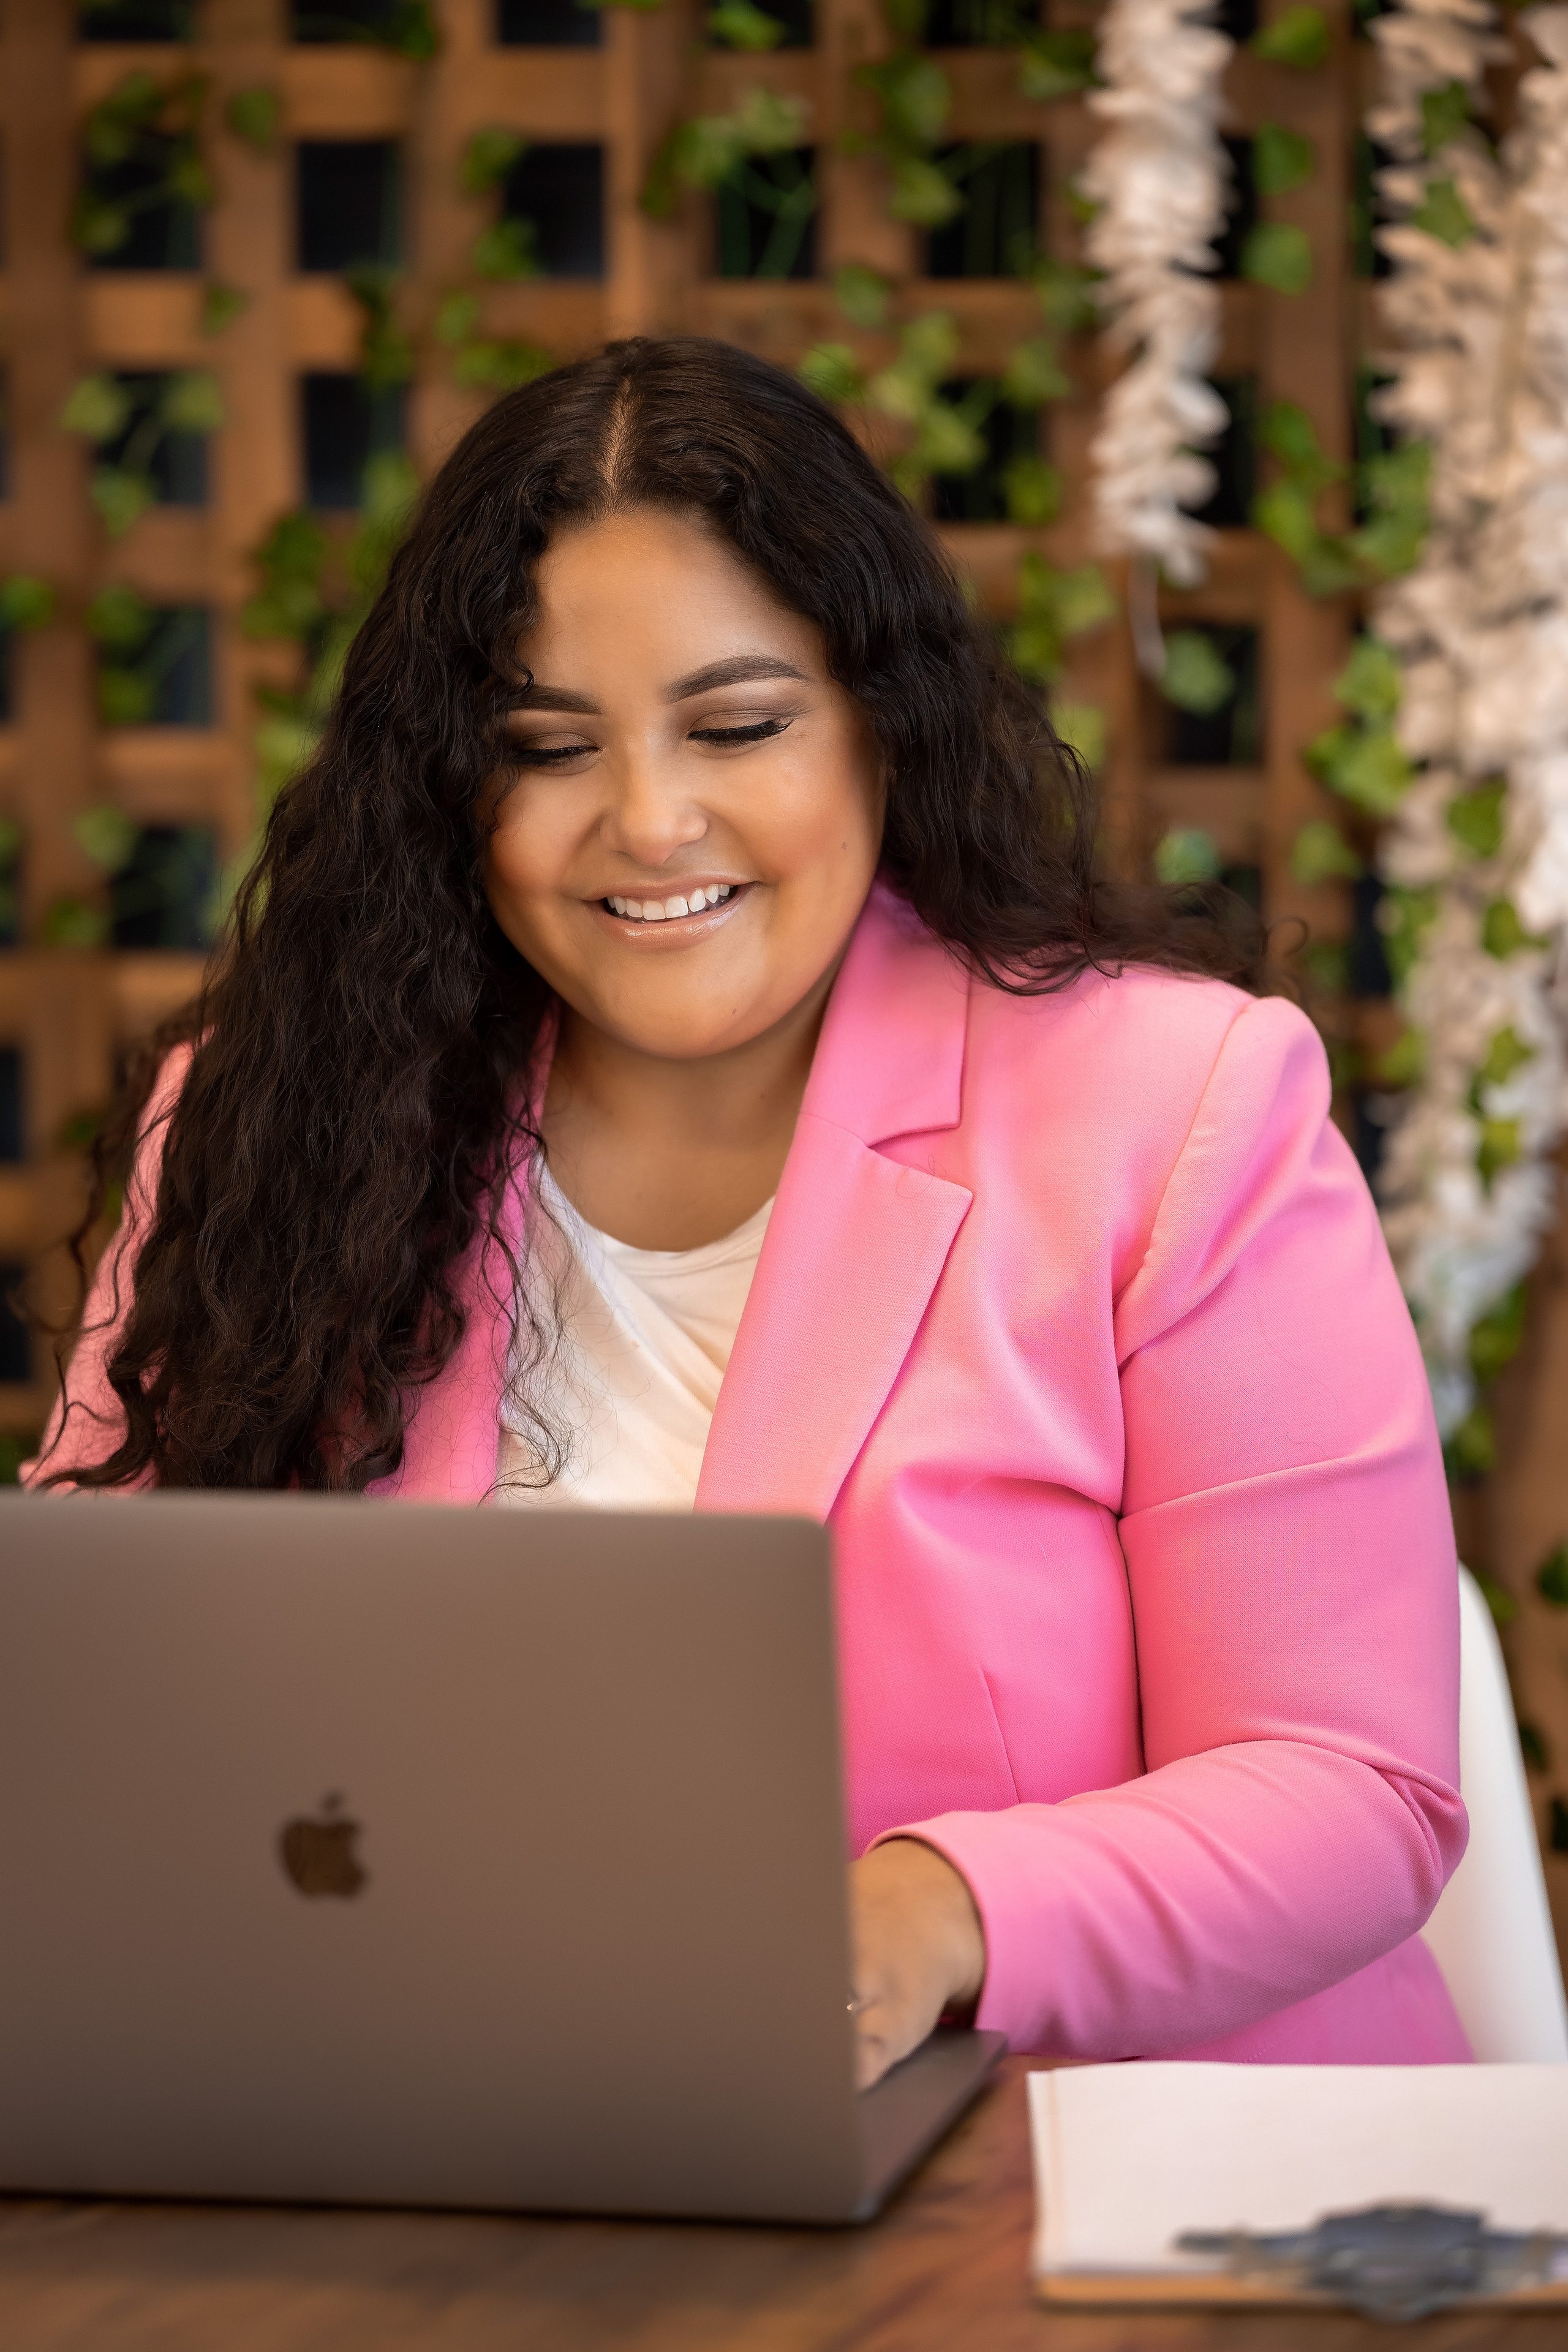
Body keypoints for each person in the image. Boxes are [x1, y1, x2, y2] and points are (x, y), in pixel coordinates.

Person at [27, 336, 1470, 2084]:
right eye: (549, 747)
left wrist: (937, 1913)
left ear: (882, 719)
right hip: (446, 2145)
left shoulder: (1180, 1110)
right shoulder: (270, 1123)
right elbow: (85, 1702)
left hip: (1072, 2184)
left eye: (737, 725)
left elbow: (1351, 1786)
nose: (649, 820)